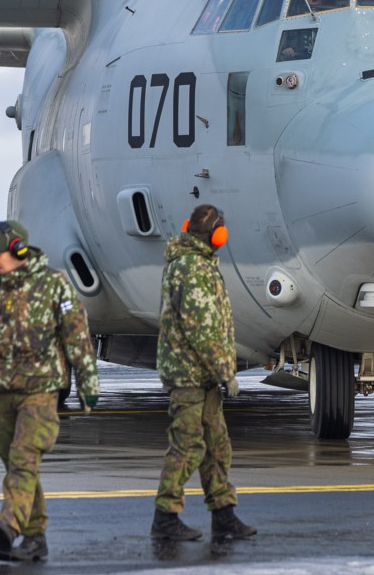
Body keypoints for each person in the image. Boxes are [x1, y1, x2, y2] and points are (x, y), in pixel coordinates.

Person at [0, 221, 101, 563]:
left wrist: (88, 384)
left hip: (41, 390)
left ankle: (9, 523)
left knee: (23, 457)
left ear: (18, 249)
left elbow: (77, 336)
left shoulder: (53, 286)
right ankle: (35, 539)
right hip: (2, 390)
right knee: (16, 464)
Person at [151, 204, 258, 544]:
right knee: (187, 447)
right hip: (190, 377)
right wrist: (226, 372)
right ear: (217, 235)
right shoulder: (194, 270)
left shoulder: (191, 265)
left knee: (217, 447)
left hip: (201, 376)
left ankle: (223, 515)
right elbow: (203, 331)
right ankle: (165, 517)